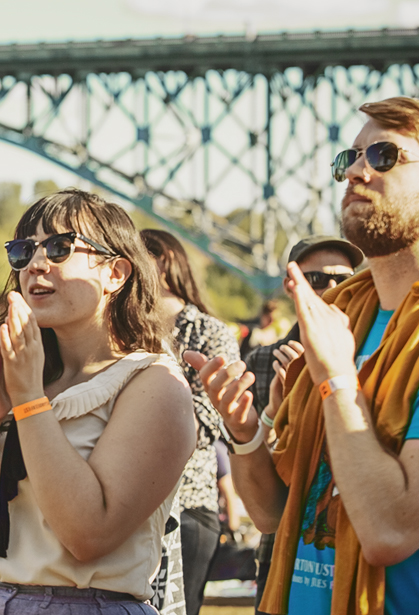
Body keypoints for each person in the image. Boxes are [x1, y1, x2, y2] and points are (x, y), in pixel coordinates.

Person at [185, 96, 419, 615]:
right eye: (350, 157)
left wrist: (338, 379)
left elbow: (391, 531)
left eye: (385, 155)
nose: (357, 171)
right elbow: (274, 514)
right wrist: (246, 432)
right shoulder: (345, 318)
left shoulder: (354, 343)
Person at [0, 189, 196, 614]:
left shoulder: (153, 383)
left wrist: (28, 401)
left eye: (60, 248)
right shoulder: (6, 373)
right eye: (23, 251)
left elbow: (88, 535)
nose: (36, 264)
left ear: (116, 273)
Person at [241, 236, 362, 615]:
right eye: (316, 279)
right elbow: (255, 473)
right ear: (291, 286)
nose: (332, 288)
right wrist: (276, 414)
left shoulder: (373, 353)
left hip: (353, 548)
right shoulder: (264, 361)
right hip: (284, 547)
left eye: (344, 278)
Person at [142, 228, 241, 615]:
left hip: (188, 504)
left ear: (164, 262)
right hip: (132, 504)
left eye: (136, 258)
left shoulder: (208, 331)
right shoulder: (121, 329)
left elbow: (210, 418)